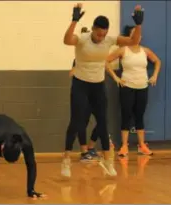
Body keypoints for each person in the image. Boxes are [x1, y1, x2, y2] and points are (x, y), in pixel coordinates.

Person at [62, 3, 144, 177]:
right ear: (93, 29)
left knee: (103, 121)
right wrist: (74, 21)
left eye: (104, 34)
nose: (101, 37)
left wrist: (138, 25)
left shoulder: (109, 40)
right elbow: (67, 40)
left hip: (98, 85)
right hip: (80, 84)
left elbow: (133, 41)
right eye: (99, 34)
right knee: (76, 121)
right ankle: (66, 159)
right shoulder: (83, 39)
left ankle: (108, 161)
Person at [105, 25, 161, 157]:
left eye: (138, 34)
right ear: (129, 37)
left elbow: (158, 61)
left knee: (139, 116)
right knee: (126, 116)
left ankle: (142, 145)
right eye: (134, 34)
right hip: (127, 87)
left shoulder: (145, 51)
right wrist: (116, 77)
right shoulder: (123, 50)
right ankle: (124, 146)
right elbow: (106, 61)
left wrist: (155, 76)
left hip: (142, 87)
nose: (137, 36)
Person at [69, 26, 100, 161]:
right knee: (82, 122)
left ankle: (91, 146)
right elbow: (73, 72)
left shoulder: (97, 56)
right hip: (83, 95)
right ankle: (84, 152)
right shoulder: (78, 59)